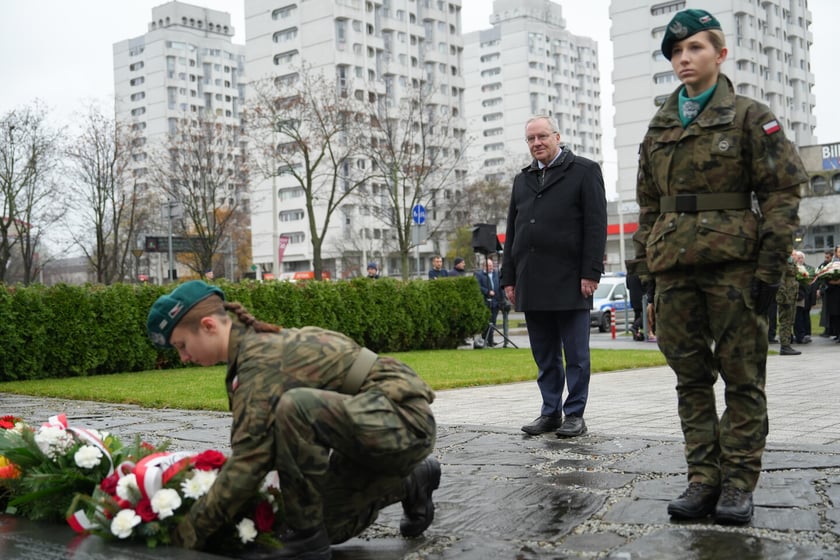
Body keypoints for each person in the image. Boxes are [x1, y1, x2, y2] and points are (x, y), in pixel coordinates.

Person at [627, 9, 805, 525]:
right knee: (690, 378)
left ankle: (738, 483)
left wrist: (771, 271)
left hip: (734, 268)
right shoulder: (659, 124)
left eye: (695, 49)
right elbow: (647, 204)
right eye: (677, 53)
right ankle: (703, 478)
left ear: (720, 54)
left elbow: (780, 195)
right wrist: (644, 274)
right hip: (673, 270)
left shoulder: (751, 117)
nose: (685, 59)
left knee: (743, 379)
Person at [146, 281, 440, 559]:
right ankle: (411, 480)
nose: (183, 357)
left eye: (181, 345)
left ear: (208, 326)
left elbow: (250, 462)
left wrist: (187, 537)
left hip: (404, 421)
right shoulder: (255, 349)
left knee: (296, 412)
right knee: (330, 526)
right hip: (375, 424)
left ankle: (306, 539)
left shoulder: (260, 360)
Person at [500, 115, 607, 439]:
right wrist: (509, 278)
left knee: (575, 355)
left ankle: (575, 414)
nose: (536, 144)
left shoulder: (584, 171)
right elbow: (513, 230)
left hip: (571, 280)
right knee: (544, 356)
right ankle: (550, 412)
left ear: (557, 136)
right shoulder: (522, 179)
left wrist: (590, 273)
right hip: (532, 279)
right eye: (530, 139)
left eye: (542, 137)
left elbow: (596, 225)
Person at [475, 257, 504, 347]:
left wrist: (502, 299)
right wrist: (487, 291)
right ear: (484, 266)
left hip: (495, 302)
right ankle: (486, 340)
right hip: (486, 302)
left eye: (492, 265)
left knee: (493, 322)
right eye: (489, 266)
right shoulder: (479, 275)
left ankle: (491, 340)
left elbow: (499, 286)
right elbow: (478, 286)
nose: (491, 267)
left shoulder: (496, 274)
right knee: (487, 323)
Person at [775, 254, 801, 355]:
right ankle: (784, 346)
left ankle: (787, 344)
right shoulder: (781, 262)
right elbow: (780, 282)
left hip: (792, 295)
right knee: (785, 321)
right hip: (786, 297)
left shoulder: (790, 262)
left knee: (790, 320)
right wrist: (783, 297)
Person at [792, 251, 814, 345]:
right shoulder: (794, 268)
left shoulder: (806, 269)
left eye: (800, 257)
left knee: (800, 316)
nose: (799, 259)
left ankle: (801, 335)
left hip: (801, 295)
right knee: (796, 317)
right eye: (797, 257)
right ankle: (798, 335)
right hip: (793, 295)